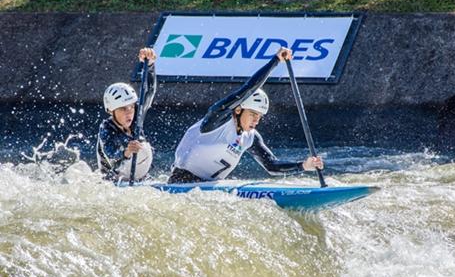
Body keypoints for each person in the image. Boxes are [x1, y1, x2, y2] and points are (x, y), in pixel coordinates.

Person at [168, 47, 323, 184]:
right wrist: (275, 61)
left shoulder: (251, 137)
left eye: (260, 116)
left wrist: (303, 165)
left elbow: (272, 166)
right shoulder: (216, 119)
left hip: (209, 188)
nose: (257, 120)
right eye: (253, 114)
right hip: (181, 181)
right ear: (238, 110)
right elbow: (248, 89)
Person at [96, 48, 157, 182]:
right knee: (141, 149)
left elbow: (150, 91)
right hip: (114, 179)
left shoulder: (137, 118)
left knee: (144, 147)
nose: (129, 112)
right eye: (123, 109)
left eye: (131, 107)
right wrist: (127, 152)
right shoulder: (106, 128)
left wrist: (150, 65)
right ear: (111, 111)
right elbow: (111, 156)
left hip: (140, 176)